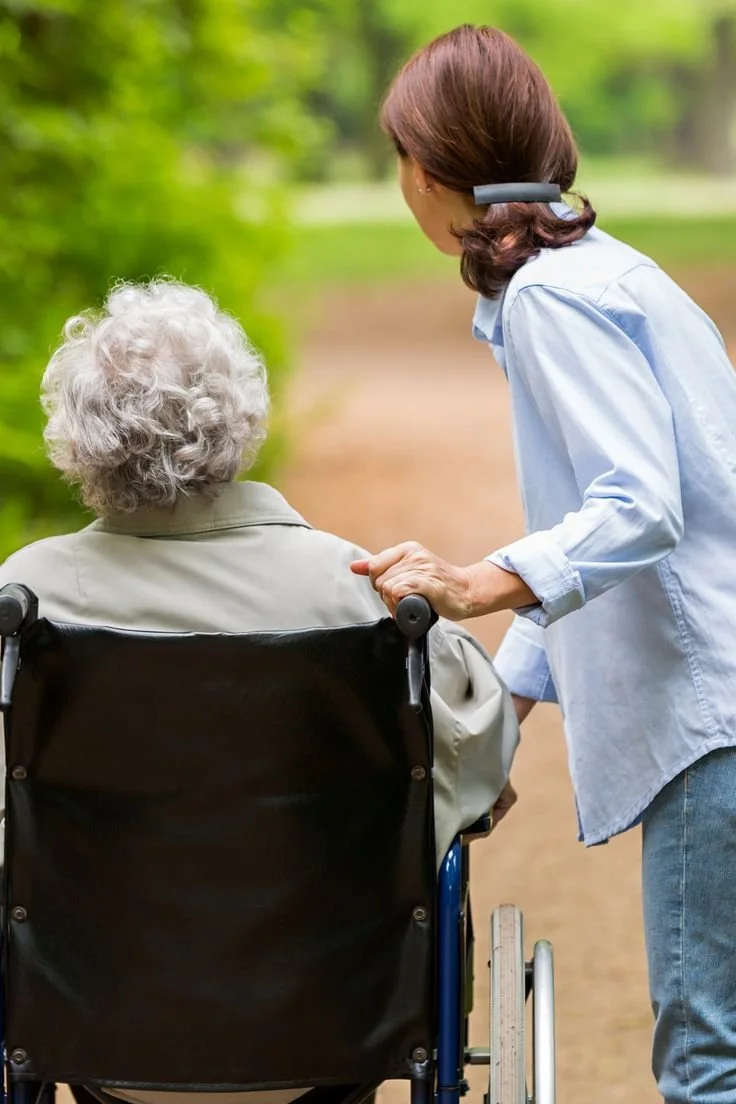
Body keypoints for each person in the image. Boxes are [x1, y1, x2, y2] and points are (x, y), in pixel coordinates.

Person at [0, 279, 518, 1104]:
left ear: (80, 435)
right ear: (241, 417)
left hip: (89, 1036)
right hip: (333, 1033)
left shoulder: (23, 606)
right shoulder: (366, 593)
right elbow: (477, 775)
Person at [352, 23, 736, 1104]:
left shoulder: (552, 300)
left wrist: (474, 583)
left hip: (716, 720)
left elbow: (637, 510)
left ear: (429, 170)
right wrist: (503, 719)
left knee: (708, 1061)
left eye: (399, 161)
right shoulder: (607, 274)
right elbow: (602, 526)